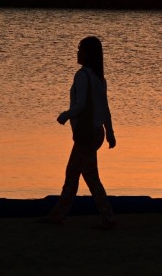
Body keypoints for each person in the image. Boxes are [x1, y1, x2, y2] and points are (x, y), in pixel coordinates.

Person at [44, 36, 117, 229]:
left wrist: (65, 115)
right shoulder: (99, 78)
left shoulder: (82, 76)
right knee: (77, 174)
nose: (77, 53)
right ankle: (60, 214)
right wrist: (110, 133)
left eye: (80, 50)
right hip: (96, 133)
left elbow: (81, 105)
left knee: (83, 176)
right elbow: (105, 109)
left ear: (87, 54)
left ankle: (107, 217)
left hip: (87, 134)